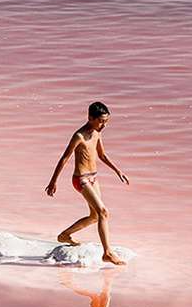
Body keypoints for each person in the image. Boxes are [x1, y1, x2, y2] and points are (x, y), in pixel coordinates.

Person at [45, 101, 129, 265]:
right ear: (90, 118)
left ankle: (65, 235)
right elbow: (64, 158)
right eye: (101, 121)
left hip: (93, 178)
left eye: (106, 121)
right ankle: (107, 253)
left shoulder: (97, 133)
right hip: (81, 179)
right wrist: (53, 181)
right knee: (103, 212)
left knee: (95, 216)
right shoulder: (79, 136)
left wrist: (117, 170)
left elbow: (102, 155)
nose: (104, 125)